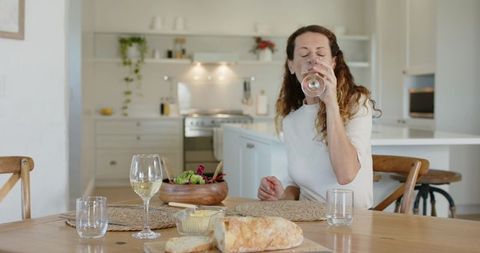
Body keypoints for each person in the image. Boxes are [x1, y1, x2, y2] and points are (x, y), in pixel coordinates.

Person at [257, 25, 380, 209]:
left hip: (351, 221)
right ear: (291, 65)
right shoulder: (291, 122)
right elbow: (296, 185)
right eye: (304, 55)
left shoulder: (357, 103)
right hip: (307, 219)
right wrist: (279, 195)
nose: (313, 61)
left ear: (333, 62)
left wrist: (331, 104)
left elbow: (346, 174)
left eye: (321, 54)